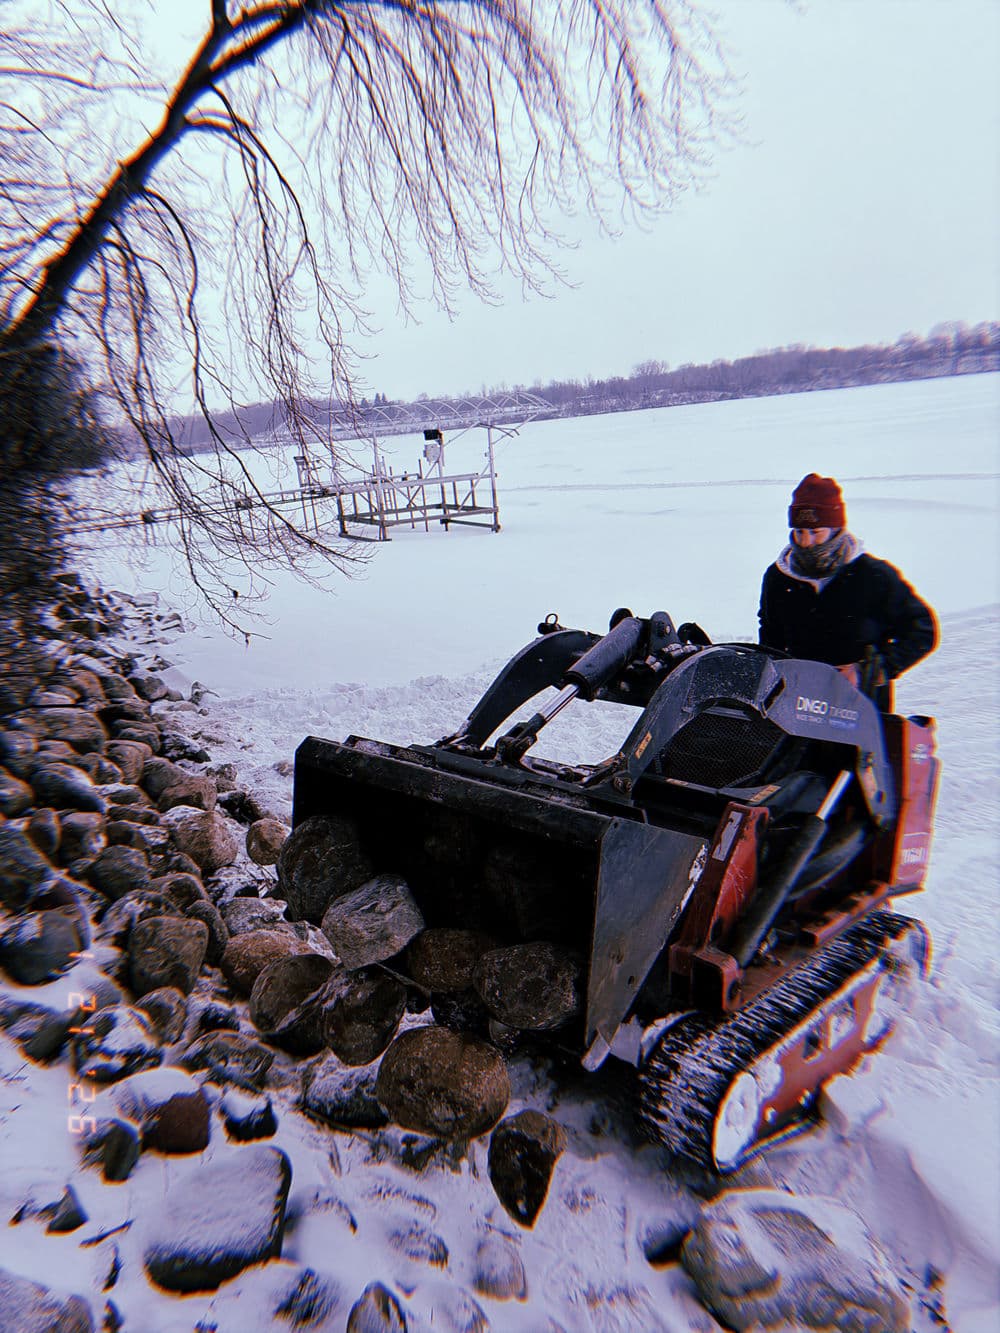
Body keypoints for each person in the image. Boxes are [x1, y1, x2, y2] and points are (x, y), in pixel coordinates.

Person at [758, 473, 937, 705]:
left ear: (835, 528)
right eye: (800, 531)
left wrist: (873, 670)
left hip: (860, 707)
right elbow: (770, 635)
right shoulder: (778, 578)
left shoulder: (872, 575)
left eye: (815, 532)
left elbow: (922, 629)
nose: (806, 542)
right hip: (796, 706)